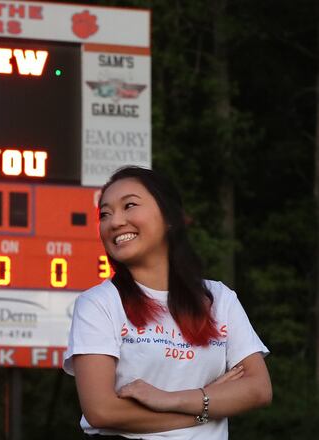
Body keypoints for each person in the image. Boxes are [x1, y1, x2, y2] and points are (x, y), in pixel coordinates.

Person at [64, 166, 271, 440]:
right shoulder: (99, 303)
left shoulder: (220, 298)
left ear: (169, 218)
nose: (114, 222)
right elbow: (102, 411)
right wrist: (207, 407)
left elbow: (258, 389)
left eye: (129, 206)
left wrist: (169, 399)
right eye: (105, 214)